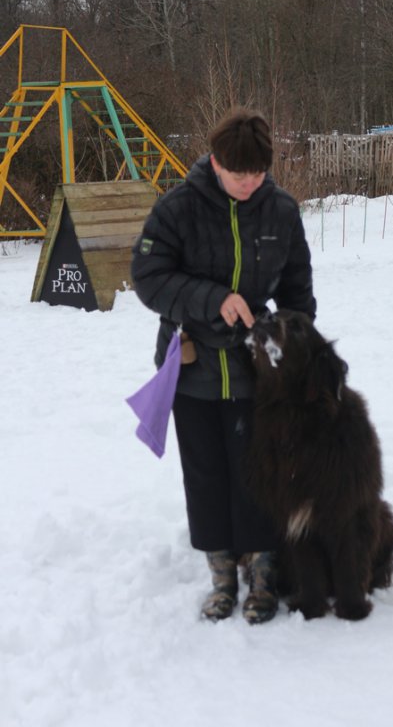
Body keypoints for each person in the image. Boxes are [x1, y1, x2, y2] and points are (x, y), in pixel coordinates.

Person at [131, 107, 316, 625]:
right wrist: (212, 299)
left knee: (257, 476)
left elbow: (299, 292)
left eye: (258, 173)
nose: (249, 183)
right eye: (239, 174)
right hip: (193, 371)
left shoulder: (280, 210)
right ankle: (220, 576)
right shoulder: (178, 208)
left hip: (260, 376)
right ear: (216, 162)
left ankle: (262, 576)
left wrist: (291, 344)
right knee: (207, 476)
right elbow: (147, 276)